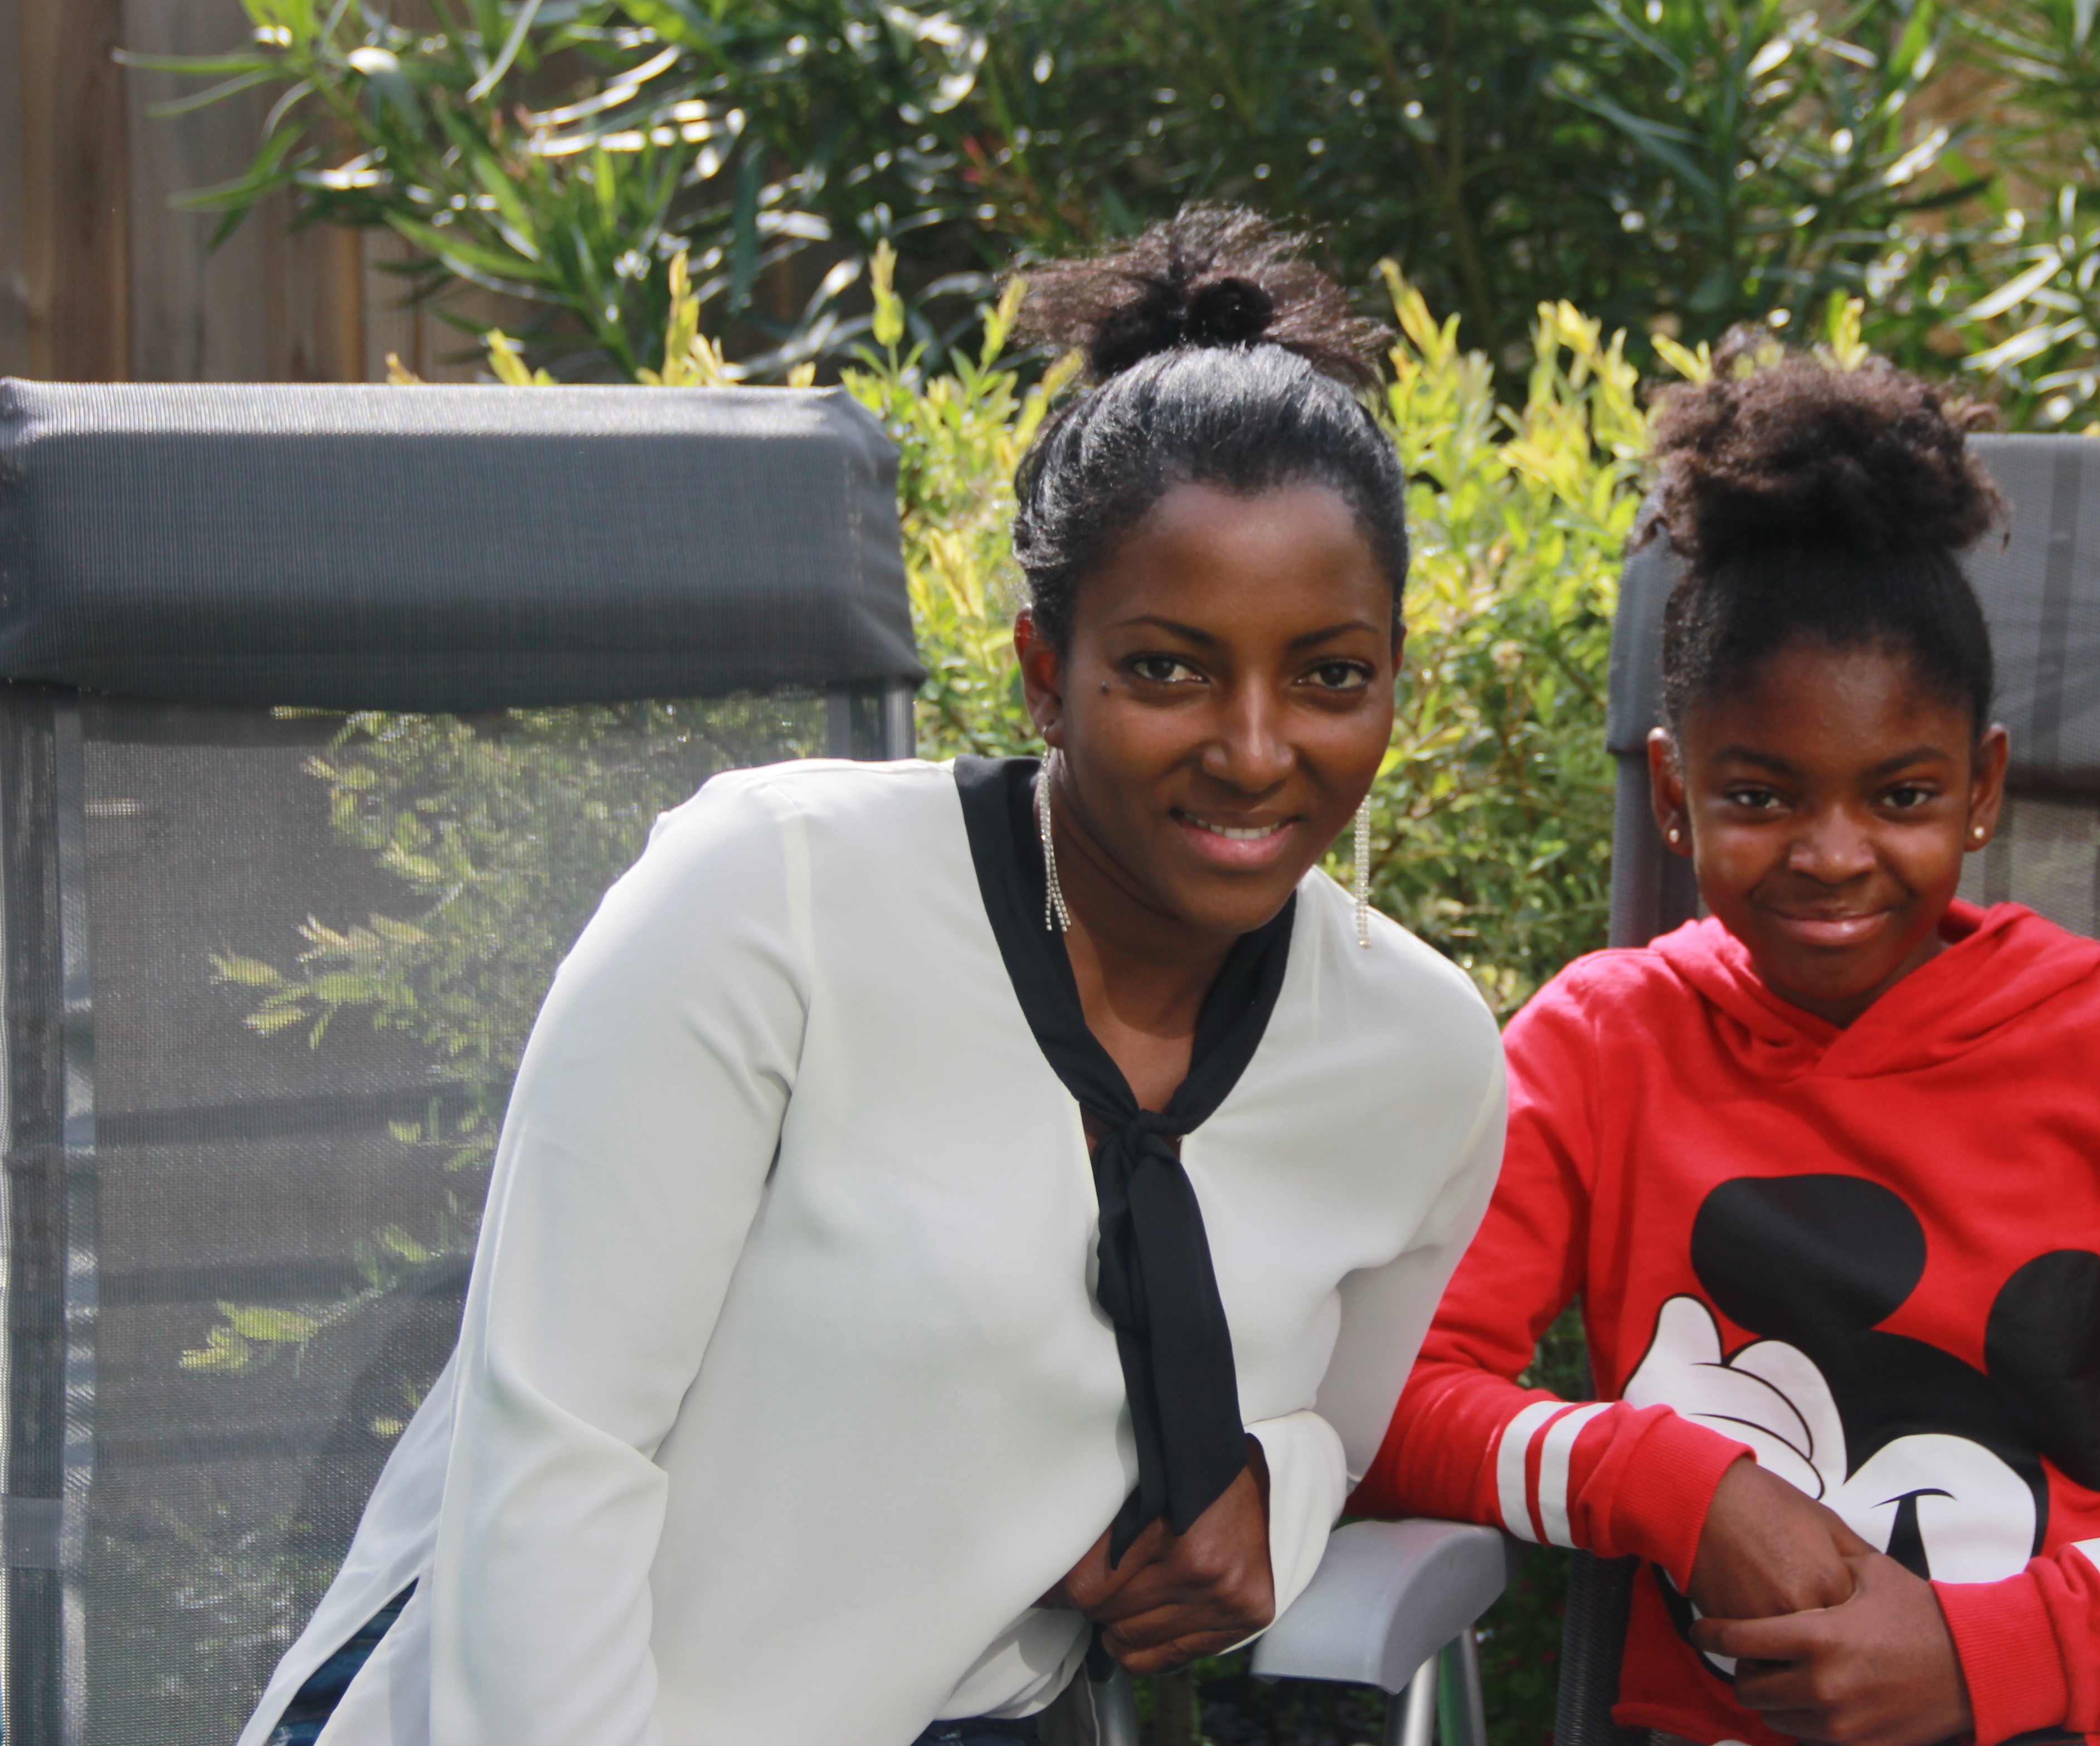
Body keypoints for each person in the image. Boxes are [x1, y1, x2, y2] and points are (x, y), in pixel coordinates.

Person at [236, 208, 1508, 1746]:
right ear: (1047, 673)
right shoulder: (773, 900)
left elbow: (1327, 1432)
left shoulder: (1419, 1059)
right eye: (1166, 668)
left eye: (1330, 676)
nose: (1255, 750)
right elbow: (555, 1454)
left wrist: (1276, 1491)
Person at [1351, 349, 2100, 1746]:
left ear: (1981, 790)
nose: (1834, 854)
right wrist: (1678, 1485)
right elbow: (1391, 1409)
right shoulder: (1607, 1049)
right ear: (1675, 794)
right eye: (1761, 794)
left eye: (1901, 793)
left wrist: (1995, 1654)